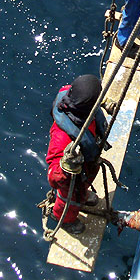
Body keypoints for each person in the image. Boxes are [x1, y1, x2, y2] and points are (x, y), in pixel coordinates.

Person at [46, 74, 108, 235]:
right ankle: (64, 219)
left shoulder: (78, 101)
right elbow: (53, 177)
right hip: (70, 180)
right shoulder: (62, 138)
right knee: (71, 201)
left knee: (82, 189)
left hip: (85, 169)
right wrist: (66, 167)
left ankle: (83, 194)